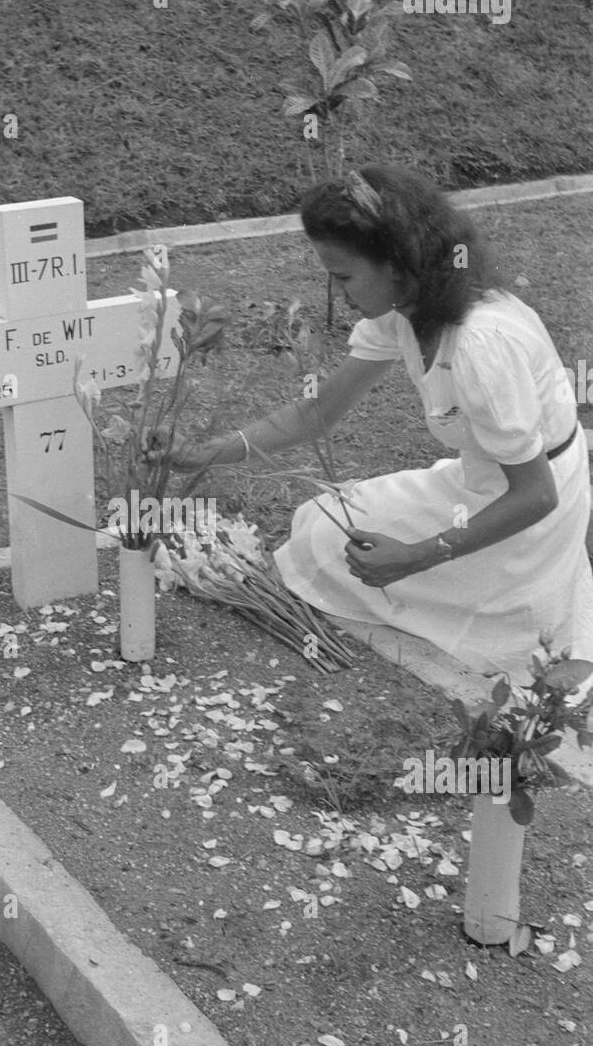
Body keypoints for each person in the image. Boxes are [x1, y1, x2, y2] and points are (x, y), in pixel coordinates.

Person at [170, 164, 593, 685]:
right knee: (319, 528)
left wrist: (417, 557)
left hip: (530, 510)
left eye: (344, 276)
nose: (337, 291)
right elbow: (317, 412)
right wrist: (203, 452)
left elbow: (536, 496)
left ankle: (507, 606)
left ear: (395, 264)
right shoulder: (403, 308)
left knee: (499, 635)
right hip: (479, 482)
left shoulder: (482, 343)